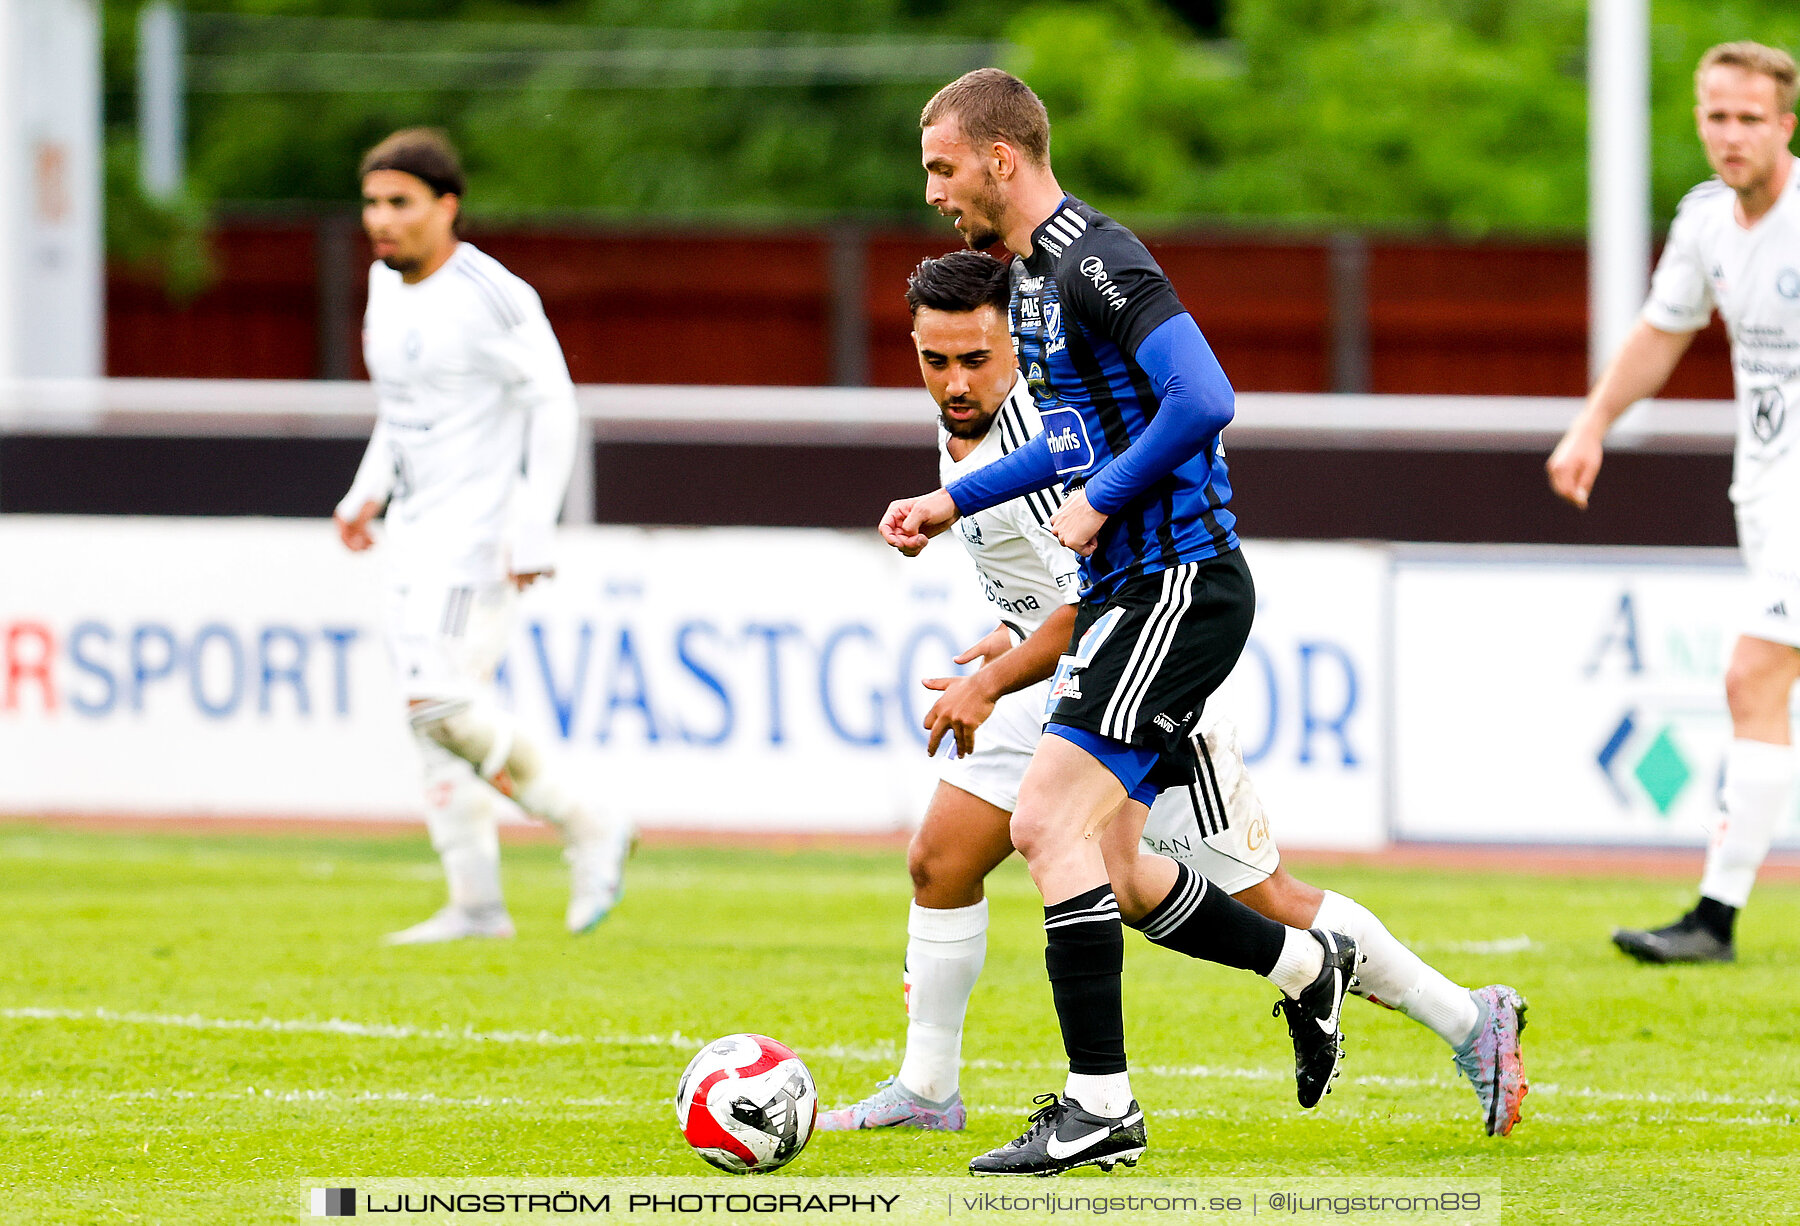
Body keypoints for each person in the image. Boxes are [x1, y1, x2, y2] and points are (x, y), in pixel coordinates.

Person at [829, 251, 1527, 1142]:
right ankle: (927, 1090)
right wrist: (1008, 639)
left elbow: (1092, 601)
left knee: (1252, 892)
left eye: (977, 359)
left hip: (1134, 666)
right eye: (937, 361)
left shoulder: (1050, 436)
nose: (957, 382)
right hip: (1047, 673)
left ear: (1016, 342)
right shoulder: (963, 431)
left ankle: (1471, 1021)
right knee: (940, 861)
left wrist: (994, 676)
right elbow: (1050, 593)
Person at [881, 71, 1362, 1177]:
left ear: (1001, 159)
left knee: (1044, 824)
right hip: (1135, 591)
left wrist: (1101, 503)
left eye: (942, 167)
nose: (933, 191)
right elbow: (1071, 441)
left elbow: (1205, 395)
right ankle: (1303, 967)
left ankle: (1101, 1103)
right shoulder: (1036, 279)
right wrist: (955, 500)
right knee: (1111, 857)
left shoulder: (1096, 256)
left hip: (1176, 580)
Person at [335, 128, 632, 944]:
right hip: (413, 533)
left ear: (446, 206)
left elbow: (555, 402)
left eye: (399, 203)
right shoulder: (382, 288)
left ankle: (587, 821)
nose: (381, 220)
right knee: (426, 720)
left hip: (477, 541)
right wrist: (368, 492)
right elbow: (400, 412)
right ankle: (475, 903)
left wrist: (534, 521)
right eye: (372, 203)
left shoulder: (492, 293)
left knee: (436, 700)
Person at [1548, 42, 1800, 965]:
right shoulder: (1706, 223)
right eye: (1716, 116)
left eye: (1749, 119)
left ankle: (1715, 920)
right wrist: (1592, 425)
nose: (1730, 135)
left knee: (1752, 678)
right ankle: (1714, 918)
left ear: (1785, 125)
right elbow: (1662, 333)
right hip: (1768, 488)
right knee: (1762, 685)